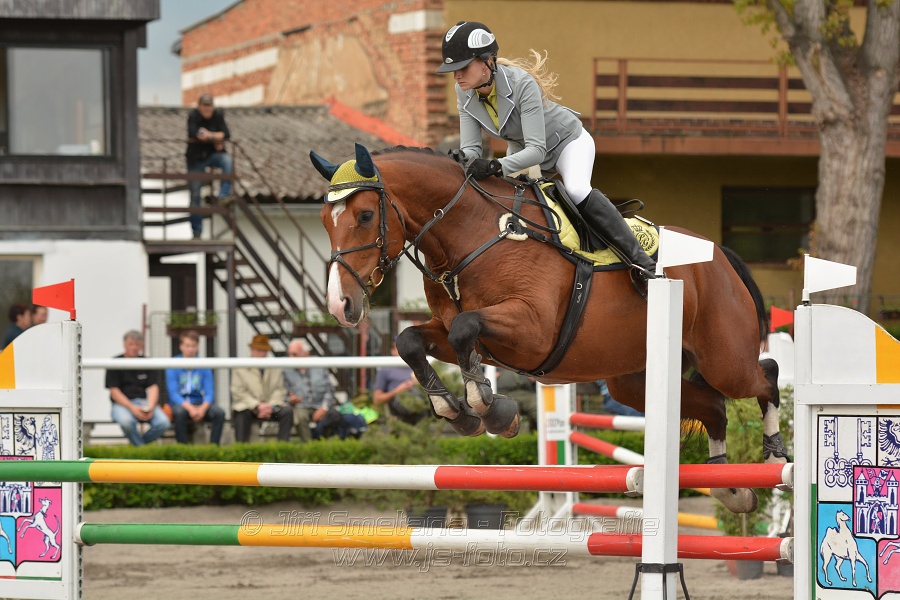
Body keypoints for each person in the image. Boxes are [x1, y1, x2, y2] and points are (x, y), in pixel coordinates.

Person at [438, 21, 656, 279]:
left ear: (487, 61)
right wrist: (464, 162)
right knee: (506, 201)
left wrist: (495, 166)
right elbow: (472, 148)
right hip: (521, 152)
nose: (456, 76)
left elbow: (538, 151)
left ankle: (641, 261)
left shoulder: (522, 84)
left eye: (462, 67)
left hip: (566, 143)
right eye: (453, 70)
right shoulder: (463, 92)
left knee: (576, 189)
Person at [283, 339, 367, 441]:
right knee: (299, 417)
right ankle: (309, 447)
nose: (291, 358)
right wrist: (290, 399)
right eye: (289, 354)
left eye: (294, 354)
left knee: (335, 417)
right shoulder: (286, 369)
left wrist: (324, 407)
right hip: (301, 405)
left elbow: (329, 389)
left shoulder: (319, 365)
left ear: (306, 354)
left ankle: (326, 445)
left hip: (320, 404)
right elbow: (283, 391)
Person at [105, 330, 171, 446]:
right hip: (122, 404)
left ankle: (138, 446)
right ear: (124, 344)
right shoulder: (115, 363)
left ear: (141, 346)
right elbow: (114, 392)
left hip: (144, 402)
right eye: (131, 344)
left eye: (137, 344)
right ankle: (142, 449)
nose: (134, 347)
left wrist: (150, 407)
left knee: (164, 422)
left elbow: (153, 388)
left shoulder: (147, 362)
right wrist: (132, 408)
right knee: (126, 422)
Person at [165, 330, 226, 444]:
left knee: (219, 413)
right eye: (187, 346)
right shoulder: (172, 364)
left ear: (197, 347)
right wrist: (190, 409)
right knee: (179, 413)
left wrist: (202, 408)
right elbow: (173, 394)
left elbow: (210, 392)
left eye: (193, 346)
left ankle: (214, 448)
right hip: (181, 404)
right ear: (181, 346)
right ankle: (183, 450)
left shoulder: (203, 364)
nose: (191, 349)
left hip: (199, 403)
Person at [185, 93, 232, 239]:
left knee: (227, 161)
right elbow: (196, 133)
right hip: (195, 159)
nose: (207, 108)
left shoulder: (218, 115)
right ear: (199, 106)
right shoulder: (193, 116)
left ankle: (224, 194)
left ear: (213, 106)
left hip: (212, 156)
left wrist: (210, 136)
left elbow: (226, 134)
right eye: (204, 105)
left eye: (209, 105)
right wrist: (216, 137)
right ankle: (197, 232)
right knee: (195, 194)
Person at [230, 334, 293, 442]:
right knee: (241, 414)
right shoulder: (240, 366)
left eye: (264, 350)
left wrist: (270, 406)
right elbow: (238, 391)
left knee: (287, 412)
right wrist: (257, 405)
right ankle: (241, 449)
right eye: (258, 350)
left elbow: (280, 389)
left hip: (271, 407)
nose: (262, 353)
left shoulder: (275, 366)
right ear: (252, 350)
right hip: (249, 407)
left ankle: (283, 447)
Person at [373, 340, 430, 426]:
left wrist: (420, 384)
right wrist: (398, 390)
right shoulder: (385, 369)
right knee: (410, 404)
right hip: (400, 404)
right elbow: (377, 400)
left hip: (421, 402)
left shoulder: (420, 367)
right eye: (399, 348)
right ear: (393, 351)